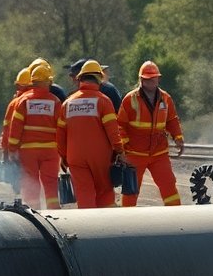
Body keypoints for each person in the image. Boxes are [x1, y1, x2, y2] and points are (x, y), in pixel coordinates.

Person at [58, 59, 126, 208]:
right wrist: (120, 151)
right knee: (104, 192)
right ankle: (105, 221)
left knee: (84, 193)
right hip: (100, 157)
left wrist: (63, 157)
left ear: (80, 78)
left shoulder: (67, 103)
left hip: (75, 156)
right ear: (99, 79)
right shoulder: (104, 101)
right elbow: (113, 131)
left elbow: (61, 135)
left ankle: (87, 222)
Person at [118, 61, 186, 206]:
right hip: (135, 153)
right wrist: (123, 148)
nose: (150, 81)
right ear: (141, 79)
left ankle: (176, 215)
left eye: (153, 78)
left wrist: (178, 137)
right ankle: (126, 217)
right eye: (147, 78)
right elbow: (120, 125)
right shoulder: (130, 99)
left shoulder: (165, 98)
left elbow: (172, 120)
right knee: (131, 189)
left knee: (168, 185)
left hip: (159, 153)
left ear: (158, 79)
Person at [5, 63, 64, 209]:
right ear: (48, 81)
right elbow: (62, 128)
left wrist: (12, 149)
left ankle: (34, 214)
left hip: (28, 151)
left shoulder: (23, 101)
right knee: (50, 184)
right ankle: (54, 212)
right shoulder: (55, 101)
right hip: (50, 151)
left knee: (31, 183)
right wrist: (63, 151)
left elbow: (15, 128)